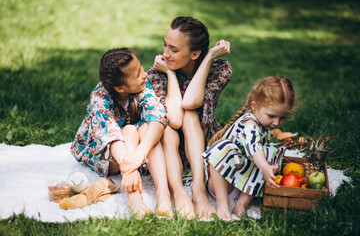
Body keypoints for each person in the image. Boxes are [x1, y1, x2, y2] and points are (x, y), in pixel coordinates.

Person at [71, 48, 172, 217]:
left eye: (141, 68)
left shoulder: (142, 87)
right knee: (130, 130)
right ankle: (133, 197)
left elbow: (158, 117)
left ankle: (163, 194)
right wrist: (129, 170)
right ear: (120, 87)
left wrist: (139, 153)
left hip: (133, 153)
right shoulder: (99, 97)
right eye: (138, 73)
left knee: (148, 129)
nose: (145, 74)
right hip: (106, 154)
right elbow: (110, 137)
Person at [147, 16, 232, 219]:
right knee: (168, 126)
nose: (165, 54)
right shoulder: (157, 73)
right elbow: (175, 118)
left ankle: (198, 189)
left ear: (195, 54)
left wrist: (209, 57)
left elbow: (190, 103)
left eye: (173, 50)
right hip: (169, 147)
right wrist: (170, 74)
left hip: (201, 143)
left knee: (191, 115)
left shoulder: (219, 69)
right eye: (165, 46)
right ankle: (179, 192)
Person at [202, 76, 295, 219]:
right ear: (254, 107)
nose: (276, 122)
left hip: (245, 185)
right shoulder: (249, 124)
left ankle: (241, 206)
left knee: (272, 151)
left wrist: (278, 140)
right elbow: (254, 148)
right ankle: (222, 204)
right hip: (223, 185)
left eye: (282, 118)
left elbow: (264, 143)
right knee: (222, 147)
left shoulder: (262, 122)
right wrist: (264, 166)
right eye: (271, 116)